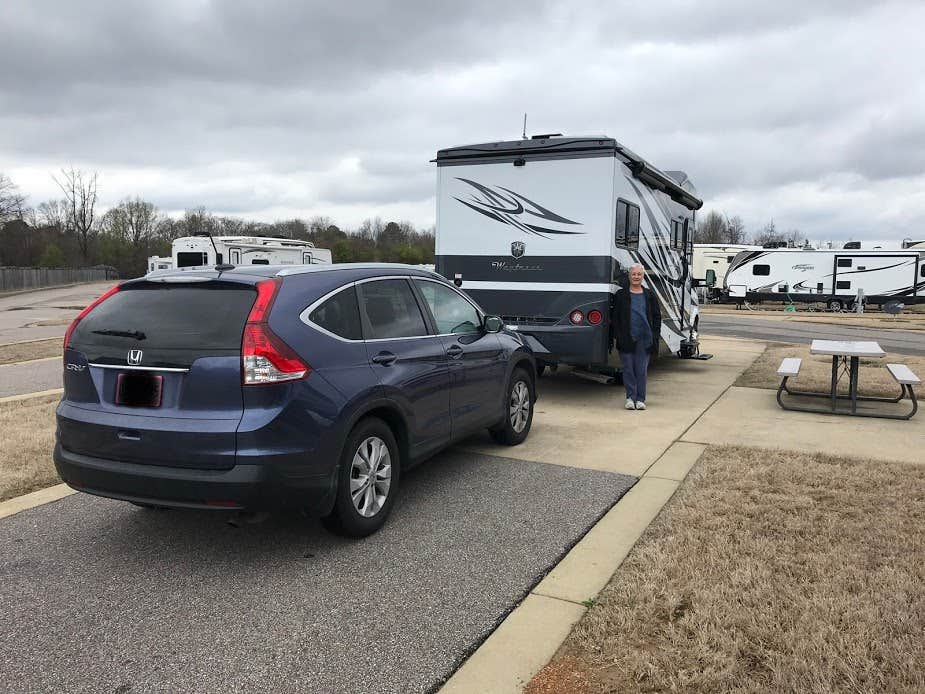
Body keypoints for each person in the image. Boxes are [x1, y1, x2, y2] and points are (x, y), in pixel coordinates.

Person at [612, 264, 662, 410]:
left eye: (639, 274)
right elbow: (615, 317)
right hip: (627, 338)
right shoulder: (621, 295)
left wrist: (655, 335)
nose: (636, 277)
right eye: (633, 274)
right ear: (629, 276)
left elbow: (657, 316)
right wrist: (618, 335)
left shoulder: (649, 295)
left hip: (645, 338)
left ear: (643, 277)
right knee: (628, 369)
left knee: (641, 370)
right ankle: (630, 398)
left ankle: (640, 399)